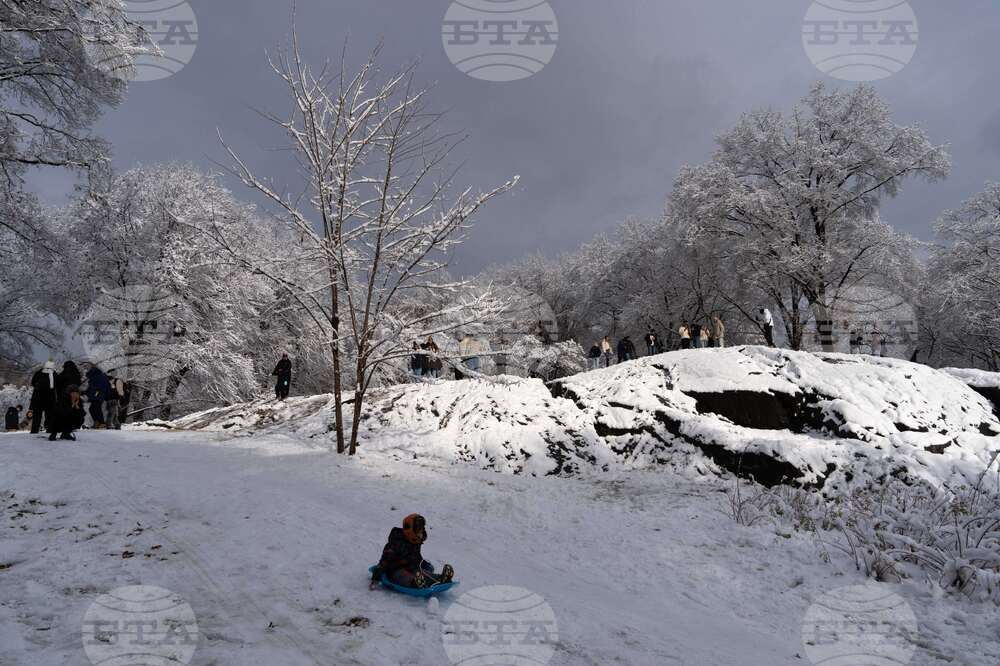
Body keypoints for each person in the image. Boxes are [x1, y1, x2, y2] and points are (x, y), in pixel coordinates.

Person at [370, 513, 454, 590]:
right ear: (410, 530)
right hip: (395, 571)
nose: (421, 533)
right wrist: (375, 578)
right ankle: (415, 583)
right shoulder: (395, 543)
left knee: (422, 572)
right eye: (418, 530)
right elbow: (384, 562)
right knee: (404, 576)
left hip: (411, 568)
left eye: (422, 529)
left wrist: (424, 564)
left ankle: (441, 578)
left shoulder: (414, 543)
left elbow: (416, 557)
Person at [29, 361, 57, 434]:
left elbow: (33, 383)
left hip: (38, 397)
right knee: (49, 415)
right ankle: (49, 429)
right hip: (50, 398)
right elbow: (58, 385)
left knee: (37, 416)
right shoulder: (54, 374)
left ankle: (34, 431)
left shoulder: (38, 373)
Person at [85, 364, 110, 429]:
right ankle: (97, 422)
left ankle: (101, 423)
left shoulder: (98, 375)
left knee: (96, 408)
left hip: (98, 395)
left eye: (87, 368)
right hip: (96, 395)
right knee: (93, 409)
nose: (86, 369)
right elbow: (91, 387)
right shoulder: (94, 376)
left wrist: (96, 393)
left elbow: (100, 386)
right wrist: (86, 392)